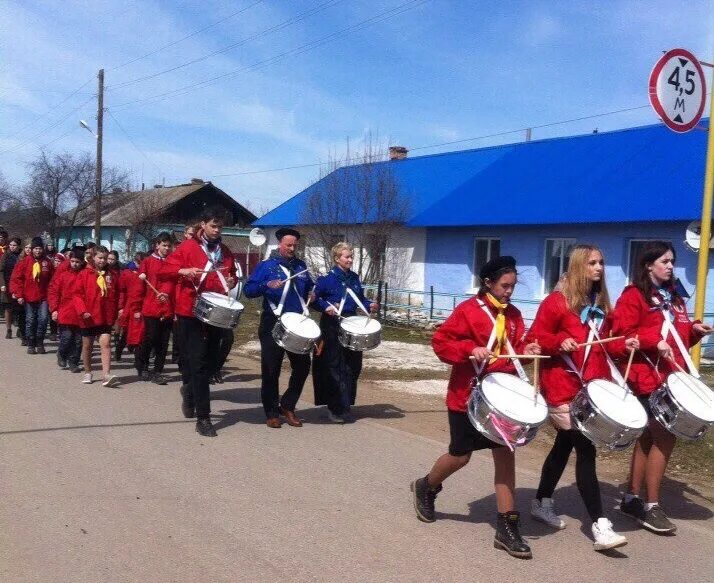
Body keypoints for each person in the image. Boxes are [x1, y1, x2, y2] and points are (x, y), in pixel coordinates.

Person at [410, 256, 541, 559]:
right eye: (504, 286)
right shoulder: (469, 311)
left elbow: (516, 348)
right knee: (460, 456)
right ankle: (426, 486)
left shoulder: (515, 315)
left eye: (513, 286)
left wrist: (528, 349)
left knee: (506, 457)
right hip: (466, 396)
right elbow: (441, 342)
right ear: (488, 284)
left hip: (502, 401)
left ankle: (507, 527)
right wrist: (470, 349)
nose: (510, 291)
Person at [525, 245, 633, 551]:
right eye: (592, 263)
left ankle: (541, 501)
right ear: (577, 267)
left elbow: (608, 347)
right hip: (562, 387)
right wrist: (560, 341)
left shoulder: (600, 304)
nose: (599, 268)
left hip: (592, 389)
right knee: (585, 450)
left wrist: (626, 344)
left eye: (601, 262)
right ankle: (600, 524)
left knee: (563, 447)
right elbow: (534, 338)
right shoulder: (556, 302)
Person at [611, 241, 711, 534]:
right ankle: (651, 506)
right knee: (666, 438)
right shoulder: (633, 296)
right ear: (648, 265)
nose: (670, 266)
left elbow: (678, 338)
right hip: (645, 377)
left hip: (671, 378)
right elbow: (621, 336)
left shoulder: (675, 298)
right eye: (665, 261)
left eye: (672, 261)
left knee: (647, 440)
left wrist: (693, 331)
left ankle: (631, 498)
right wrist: (654, 341)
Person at [159, 207, 237, 437]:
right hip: (189, 310)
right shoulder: (187, 247)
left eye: (220, 227)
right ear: (202, 224)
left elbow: (229, 278)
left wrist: (231, 282)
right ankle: (204, 418)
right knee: (199, 362)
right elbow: (164, 272)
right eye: (213, 225)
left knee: (212, 362)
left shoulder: (225, 251)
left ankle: (189, 389)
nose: (217, 230)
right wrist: (184, 270)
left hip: (215, 311)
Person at [244, 227, 314, 429]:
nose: (292, 248)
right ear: (279, 245)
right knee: (271, 369)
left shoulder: (301, 266)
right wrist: (266, 285)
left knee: (302, 367)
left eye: (295, 245)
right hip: (272, 322)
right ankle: (271, 412)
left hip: (297, 324)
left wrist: (313, 295)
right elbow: (249, 290)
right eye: (288, 245)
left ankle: (288, 405)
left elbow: (309, 288)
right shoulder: (267, 266)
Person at [312, 242, 379, 423]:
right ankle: (334, 407)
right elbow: (314, 299)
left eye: (351, 257)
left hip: (351, 322)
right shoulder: (326, 279)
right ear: (336, 258)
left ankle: (346, 404)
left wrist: (369, 305)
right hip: (332, 324)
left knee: (353, 366)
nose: (350, 260)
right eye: (347, 257)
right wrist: (326, 307)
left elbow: (360, 299)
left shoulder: (354, 278)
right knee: (334, 367)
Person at [74, 245, 119, 387]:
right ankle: (88, 371)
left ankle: (106, 375)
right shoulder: (84, 274)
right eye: (100, 258)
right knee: (88, 345)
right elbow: (76, 295)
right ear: (92, 257)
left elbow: (116, 294)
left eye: (105, 258)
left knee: (105, 343)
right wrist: (82, 311)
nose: (103, 261)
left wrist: (116, 312)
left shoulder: (111, 275)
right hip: (88, 316)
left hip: (105, 315)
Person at [133, 232, 174, 385]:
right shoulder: (148, 262)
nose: (166, 248)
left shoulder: (173, 262)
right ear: (157, 245)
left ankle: (158, 371)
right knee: (150, 338)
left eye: (169, 246)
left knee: (163, 342)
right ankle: (142, 365)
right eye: (164, 245)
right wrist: (136, 307)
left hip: (168, 308)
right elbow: (139, 287)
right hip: (151, 307)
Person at [10, 236, 54, 354]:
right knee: (30, 320)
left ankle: (40, 341)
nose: (38, 251)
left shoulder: (47, 262)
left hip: (43, 297)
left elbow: (53, 280)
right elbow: (16, 279)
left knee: (44, 319)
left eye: (40, 248)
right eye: (35, 249)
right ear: (32, 249)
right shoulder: (24, 262)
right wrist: (19, 294)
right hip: (28, 297)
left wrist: (52, 296)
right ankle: (31, 342)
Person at [48, 246, 86, 372]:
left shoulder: (84, 275)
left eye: (77, 262)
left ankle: (73, 362)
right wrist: (54, 309)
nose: (74, 264)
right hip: (65, 310)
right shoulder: (63, 275)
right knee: (67, 337)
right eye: (73, 261)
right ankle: (62, 354)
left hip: (80, 312)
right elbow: (54, 291)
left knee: (78, 340)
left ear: (82, 263)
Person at [115, 252, 146, 362]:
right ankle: (119, 350)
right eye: (139, 263)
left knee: (140, 332)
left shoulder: (145, 275)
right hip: (130, 306)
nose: (140, 265)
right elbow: (122, 291)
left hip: (142, 305)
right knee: (127, 331)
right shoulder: (127, 273)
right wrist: (121, 307)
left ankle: (138, 357)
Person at [0, 237, 22, 339]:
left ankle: (20, 329)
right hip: (7, 283)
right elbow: (1, 271)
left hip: (19, 284)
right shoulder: (6, 255)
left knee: (19, 308)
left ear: (18, 246)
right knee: (8, 307)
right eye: (11, 245)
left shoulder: (21, 255)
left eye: (15, 245)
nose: (12, 247)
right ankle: (9, 329)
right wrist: (2, 284)